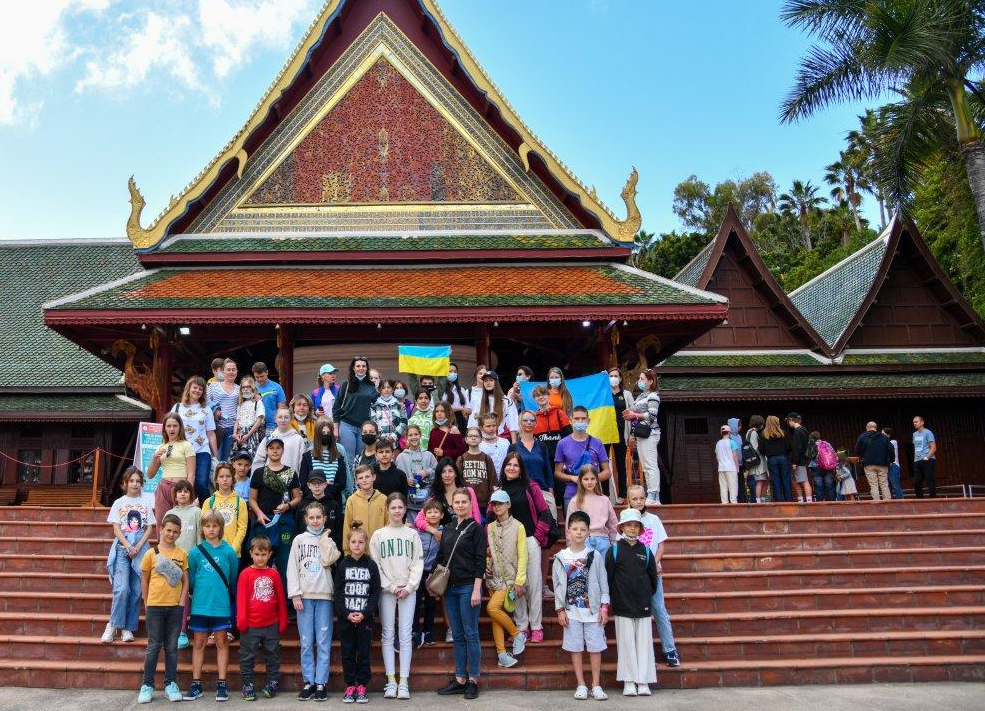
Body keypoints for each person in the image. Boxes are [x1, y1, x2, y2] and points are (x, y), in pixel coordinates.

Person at [371, 493, 425, 699]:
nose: (397, 511)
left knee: (404, 635)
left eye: (400, 507)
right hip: (387, 591)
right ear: (387, 509)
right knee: (387, 634)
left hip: (407, 591)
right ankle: (391, 680)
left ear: (405, 509)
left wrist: (409, 587)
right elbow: (376, 565)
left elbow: (417, 563)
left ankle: (404, 681)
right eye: (393, 507)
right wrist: (391, 587)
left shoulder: (411, 535)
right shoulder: (378, 535)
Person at [435, 489, 487, 701]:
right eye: (456, 502)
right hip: (450, 588)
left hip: (468, 587)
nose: (460, 505)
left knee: (471, 633)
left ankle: (473, 679)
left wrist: (477, 588)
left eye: (464, 502)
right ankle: (460, 678)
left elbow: (480, 560)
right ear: (452, 505)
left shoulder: (476, 529)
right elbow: (441, 557)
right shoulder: (447, 528)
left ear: (470, 503)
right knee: (457, 634)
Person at [288, 501, 342, 702]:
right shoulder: (299, 540)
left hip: (324, 596)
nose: (315, 520)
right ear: (306, 519)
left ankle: (321, 683)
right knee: (306, 641)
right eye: (311, 517)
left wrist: (325, 538)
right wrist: (295, 594)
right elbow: (292, 568)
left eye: (319, 517)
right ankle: (309, 682)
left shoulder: (329, 541)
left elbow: (329, 560)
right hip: (304, 596)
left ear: (325, 519)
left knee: (323, 641)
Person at [553, 510, 610, 701]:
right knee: (575, 647)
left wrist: (604, 607)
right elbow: (557, 586)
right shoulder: (561, 557)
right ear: (568, 531)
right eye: (575, 529)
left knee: (595, 647)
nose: (578, 532)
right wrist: (559, 609)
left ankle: (596, 684)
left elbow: (603, 583)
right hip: (572, 612)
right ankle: (581, 684)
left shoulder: (594, 555)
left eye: (582, 529)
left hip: (593, 612)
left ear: (588, 533)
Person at [493, 452, 549, 644]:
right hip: (507, 544)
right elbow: (492, 516)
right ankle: (522, 626)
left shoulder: (530, 487)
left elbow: (544, 513)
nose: (512, 468)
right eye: (509, 465)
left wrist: (537, 537)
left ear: (521, 469)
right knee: (514, 586)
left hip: (529, 540)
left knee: (533, 584)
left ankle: (536, 626)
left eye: (516, 465)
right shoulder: (499, 490)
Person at [184, 511, 239, 702]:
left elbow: (232, 578)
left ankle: (222, 684)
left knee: (222, 643)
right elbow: (191, 580)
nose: (211, 529)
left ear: (221, 528)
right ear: (202, 528)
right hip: (200, 605)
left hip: (221, 605)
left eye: (215, 526)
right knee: (198, 643)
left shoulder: (229, 551)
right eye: (207, 526)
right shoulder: (195, 552)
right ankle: (196, 683)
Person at [136, 513, 189, 704]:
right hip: (155, 606)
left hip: (175, 607)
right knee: (153, 646)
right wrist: (146, 601)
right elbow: (144, 578)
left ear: (179, 533)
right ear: (161, 530)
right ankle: (147, 685)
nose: (171, 534)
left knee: (172, 647)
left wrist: (182, 603)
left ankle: (170, 684)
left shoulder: (182, 554)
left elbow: (185, 581)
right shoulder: (151, 554)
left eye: (175, 531)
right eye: (168, 530)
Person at [625, 485, 679, 666]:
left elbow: (661, 545)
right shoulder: (624, 520)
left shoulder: (654, 519)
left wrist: (654, 563)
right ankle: (642, 652)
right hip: (634, 574)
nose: (639, 502)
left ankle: (670, 649)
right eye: (635, 499)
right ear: (628, 500)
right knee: (638, 613)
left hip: (654, 572)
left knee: (659, 608)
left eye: (641, 498)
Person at [605, 508, 658, 697]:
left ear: (641, 529)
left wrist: (646, 597)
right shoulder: (615, 550)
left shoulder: (646, 551)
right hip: (622, 605)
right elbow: (608, 578)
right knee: (626, 643)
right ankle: (629, 681)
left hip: (643, 604)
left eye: (636, 525)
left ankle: (643, 681)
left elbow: (653, 579)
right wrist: (613, 599)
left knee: (644, 642)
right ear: (621, 528)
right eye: (629, 525)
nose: (633, 529)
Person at [104, 467, 154, 645]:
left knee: (135, 590)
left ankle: (127, 628)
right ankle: (113, 624)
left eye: (138, 481)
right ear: (125, 483)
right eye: (131, 481)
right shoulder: (119, 502)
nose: (135, 484)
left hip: (141, 547)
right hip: (123, 547)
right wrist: (128, 546)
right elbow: (116, 528)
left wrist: (138, 546)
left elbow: (149, 527)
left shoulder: (146, 503)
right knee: (122, 588)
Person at [248, 436, 302, 596]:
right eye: (271, 448)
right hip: (264, 522)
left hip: (285, 521)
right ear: (266, 450)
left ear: (283, 450)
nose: (275, 450)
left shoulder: (290, 473)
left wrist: (288, 506)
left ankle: (287, 601)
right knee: (261, 561)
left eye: (278, 448)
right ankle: (260, 598)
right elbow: (252, 499)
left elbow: (298, 497)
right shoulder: (258, 473)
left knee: (285, 562)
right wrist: (258, 513)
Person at [237, 535, 288, 701]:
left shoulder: (274, 574)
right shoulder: (245, 574)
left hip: (271, 624)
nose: (260, 558)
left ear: (270, 554)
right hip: (251, 625)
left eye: (264, 554)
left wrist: (282, 620)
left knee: (272, 655)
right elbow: (241, 599)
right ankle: (247, 685)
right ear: (251, 553)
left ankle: (273, 682)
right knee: (247, 656)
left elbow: (280, 598)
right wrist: (242, 621)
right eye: (257, 554)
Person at [334, 528, 381, 705]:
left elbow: (375, 592)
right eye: (354, 542)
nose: (357, 545)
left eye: (361, 542)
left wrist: (364, 613)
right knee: (347, 653)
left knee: (363, 653)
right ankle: (349, 686)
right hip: (346, 619)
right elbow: (337, 593)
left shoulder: (371, 565)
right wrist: (346, 614)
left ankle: (362, 686)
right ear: (348, 543)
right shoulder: (343, 565)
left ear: (365, 544)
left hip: (365, 619)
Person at [484, 489, 528, 668]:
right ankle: (502, 653)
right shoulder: (490, 527)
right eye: (494, 504)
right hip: (493, 577)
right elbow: (491, 551)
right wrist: (487, 564)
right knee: (496, 617)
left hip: (510, 579)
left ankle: (517, 635)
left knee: (492, 608)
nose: (497, 507)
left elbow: (523, 555)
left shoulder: (519, 526)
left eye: (500, 503)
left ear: (508, 504)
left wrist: (519, 580)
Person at [164, 479, 200, 651]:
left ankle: (197, 628)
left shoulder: (197, 512)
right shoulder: (170, 513)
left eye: (186, 491)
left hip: (192, 559)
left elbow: (200, 538)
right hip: (174, 562)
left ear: (191, 494)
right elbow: (165, 539)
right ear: (175, 495)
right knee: (181, 596)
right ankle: (181, 631)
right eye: (180, 491)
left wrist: (200, 557)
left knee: (194, 594)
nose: (183, 494)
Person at [554, 406, 611, 512]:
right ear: (570, 421)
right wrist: (572, 478)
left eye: (583, 418)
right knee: (572, 527)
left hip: (594, 494)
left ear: (588, 421)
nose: (580, 421)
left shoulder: (597, 443)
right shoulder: (562, 444)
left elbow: (607, 472)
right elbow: (557, 473)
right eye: (576, 418)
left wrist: (591, 479)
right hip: (571, 494)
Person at [172, 376, 218, 503]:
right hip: (182, 451)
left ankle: (207, 513)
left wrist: (216, 455)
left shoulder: (206, 409)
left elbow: (211, 433)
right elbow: (168, 429)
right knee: (182, 485)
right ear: (189, 388)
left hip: (202, 450)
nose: (197, 391)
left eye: (200, 389)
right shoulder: (177, 408)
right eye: (195, 387)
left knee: (201, 483)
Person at [147, 412, 195, 530]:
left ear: (180, 427)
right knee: (161, 523)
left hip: (180, 487)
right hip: (163, 487)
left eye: (175, 426)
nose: (172, 429)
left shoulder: (186, 445)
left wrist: (188, 492)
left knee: (180, 523)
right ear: (164, 428)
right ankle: (162, 548)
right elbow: (150, 475)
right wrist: (154, 458)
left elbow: (191, 474)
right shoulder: (161, 446)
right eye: (168, 426)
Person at [414, 458, 482, 533]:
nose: (447, 475)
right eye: (443, 472)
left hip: (468, 537)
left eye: (450, 471)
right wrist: (434, 531)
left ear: (456, 473)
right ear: (439, 475)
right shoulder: (435, 498)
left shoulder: (468, 491)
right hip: (446, 540)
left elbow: (477, 518)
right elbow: (418, 520)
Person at [509, 410, 555, 518]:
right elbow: (509, 471)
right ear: (520, 423)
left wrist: (551, 492)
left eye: (532, 420)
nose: (529, 422)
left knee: (549, 524)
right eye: (525, 420)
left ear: (536, 423)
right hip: (521, 492)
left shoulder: (542, 446)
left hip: (542, 490)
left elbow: (548, 470)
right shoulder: (513, 447)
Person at [625, 368, 661, 505]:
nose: (639, 381)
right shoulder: (640, 396)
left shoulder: (653, 396)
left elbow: (652, 415)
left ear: (650, 382)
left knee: (651, 465)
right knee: (645, 466)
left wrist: (635, 415)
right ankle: (651, 493)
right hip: (640, 434)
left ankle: (654, 494)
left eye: (642, 379)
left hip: (650, 432)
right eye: (639, 378)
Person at [334, 357, 379, 464]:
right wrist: (335, 429)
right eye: (358, 366)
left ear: (367, 368)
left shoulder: (371, 385)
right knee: (348, 459)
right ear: (353, 368)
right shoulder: (346, 384)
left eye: (363, 366)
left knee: (362, 458)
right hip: (347, 425)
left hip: (364, 428)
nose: (361, 368)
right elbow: (336, 407)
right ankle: (350, 482)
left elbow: (376, 405)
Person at [566, 465, 619, 555]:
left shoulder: (605, 500)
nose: (589, 482)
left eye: (592, 478)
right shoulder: (575, 501)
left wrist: (614, 545)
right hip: (583, 541)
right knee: (586, 569)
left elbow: (613, 524)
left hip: (603, 541)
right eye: (586, 479)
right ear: (581, 481)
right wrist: (570, 546)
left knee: (603, 568)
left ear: (597, 480)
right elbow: (569, 526)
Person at [413, 499, 443, 648]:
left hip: (434, 573)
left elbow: (444, 553)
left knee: (431, 603)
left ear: (442, 515)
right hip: (418, 573)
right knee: (416, 602)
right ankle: (415, 631)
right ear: (424, 515)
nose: (433, 514)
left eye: (436, 511)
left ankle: (428, 631)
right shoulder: (418, 532)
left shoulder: (444, 532)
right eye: (429, 512)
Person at [252, 404, 312, 479]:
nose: (283, 420)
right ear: (275, 419)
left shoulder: (298, 439)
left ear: (291, 419)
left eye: (286, 417)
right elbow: (258, 461)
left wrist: (299, 484)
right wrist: (256, 481)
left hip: (291, 483)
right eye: (280, 417)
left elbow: (302, 464)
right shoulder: (268, 439)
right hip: (270, 482)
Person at [202, 463, 249, 556]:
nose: (225, 479)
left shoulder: (240, 502)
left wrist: (232, 550)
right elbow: (203, 526)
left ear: (233, 479)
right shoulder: (209, 502)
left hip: (233, 553)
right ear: (216, 479)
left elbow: (242, 529)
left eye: (228, 476)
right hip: (213, 552)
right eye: (221, 476)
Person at [342, 464, 387, 554]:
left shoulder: (383, 499)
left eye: (367, 476)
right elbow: (347, 526)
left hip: (379, 550)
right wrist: (347, 551)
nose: (364, 480)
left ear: (373, 477)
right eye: (361, 478)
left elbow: (388, 524)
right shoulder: (352, 500)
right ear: (356, 481)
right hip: (358, 552)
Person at [294, 471, 343, 553]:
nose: (317, 486)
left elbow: (339, 530)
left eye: (319, 483)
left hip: (328, 549)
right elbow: (297, 529)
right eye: (313, 483)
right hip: (307, 549)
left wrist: (337, 550)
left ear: (325, 484)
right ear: (309, 485)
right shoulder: (302, 506)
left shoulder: (333, 505)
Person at [397, 424, 438, 518]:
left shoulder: (428, 455)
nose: (414, 437)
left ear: (420, 435)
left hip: (428, 505)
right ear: (406, 437)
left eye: (416, 434)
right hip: (409, 504)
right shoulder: (401, 457)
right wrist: (405, 481)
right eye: (410, 435)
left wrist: (427, 472)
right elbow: (398, 479)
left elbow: (438, 474)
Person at [467, 370, 518, 442]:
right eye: (485, 381)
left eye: (491, 380)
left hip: (502, 439)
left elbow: (513, 424)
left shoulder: (507, 401)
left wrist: (514, 445)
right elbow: (473, 424)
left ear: (496, 382)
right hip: (483, 441)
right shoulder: (479, 401)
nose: (488, 383)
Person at [607, 368, 634, 502]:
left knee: (620, 465)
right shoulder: (603, 393)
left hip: (621, 432)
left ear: (620, 378)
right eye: (610, 376)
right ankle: (605, 494)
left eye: (615, 375)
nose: (613, 378)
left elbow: (633, 413)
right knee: (603, 463)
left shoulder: (626, 394)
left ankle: (622, 494)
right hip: (605, 432)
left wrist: (632, 434)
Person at [310, 416, 348, 507]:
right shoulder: (308, 455)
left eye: (328, 433)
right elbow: (304, 482)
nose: (326, 435)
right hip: (312, 502)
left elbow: (342, 482)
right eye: (323, 433)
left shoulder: (339, 455)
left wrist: (327, 491)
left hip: (333, 501)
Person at [208, 358, 240, 461]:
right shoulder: (213, 386)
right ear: (223, 371)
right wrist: (215, 409)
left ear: (237, 371)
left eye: (233, 370)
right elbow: (205, 401)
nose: (231, 372)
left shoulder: (240, 388)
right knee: (216, 459)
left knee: (228, 460)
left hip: (233, 428)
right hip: (217, 427)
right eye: (228, 369)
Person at [458, 425, 497, 510]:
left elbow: (493, 481)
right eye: (470, 436)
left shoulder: (486, 458)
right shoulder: (461, 459)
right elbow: (457, 482)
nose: (473, 438)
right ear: (466, 439)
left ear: (481, 439)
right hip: (466, 504)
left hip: (483, 504)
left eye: (476, 436)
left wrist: (491, 500)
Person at [855, 421, 894, 501]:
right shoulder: (884, 437)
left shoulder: (862, 437)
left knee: (873, 485)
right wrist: (891, 460)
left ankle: (877, 503)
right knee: (884, 484)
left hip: (869, 464)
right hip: (883, 464)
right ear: (876, 428)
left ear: (867, 428)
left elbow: (857, 450)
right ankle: (888, 502)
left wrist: (863, 456)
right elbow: (891, 448)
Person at [233, 376, 266, 460]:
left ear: (253, 388)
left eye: (248, 387)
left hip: (253, 434)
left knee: (253, 459)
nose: (245, 389)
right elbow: (237, 420)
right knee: (239, 459)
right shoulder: (240, 405)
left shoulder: (258, 402)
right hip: (240, 435)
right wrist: (234, 434)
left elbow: (259, 421)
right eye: (243, 387)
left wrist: (248, 435)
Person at [761, 415, 792, 502]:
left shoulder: (764, 434)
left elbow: (761, 449)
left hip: (771, 459)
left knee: (775, 481)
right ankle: (789, 501)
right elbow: (789, 447)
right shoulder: (783, 433)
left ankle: (779, 502)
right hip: (783, 457)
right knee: (786, 480)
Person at [370, 378, 407, 449]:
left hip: (395, 442)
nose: (386, 390)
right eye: (383, 388)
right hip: (379, 442)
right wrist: (383, 436)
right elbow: (373, 423)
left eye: (388, 387)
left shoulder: (399, 405)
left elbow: (404, 422)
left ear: (393, 389)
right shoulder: (374, 406)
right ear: (379, 390)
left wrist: (394, 436)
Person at [786, 412, 814, 503]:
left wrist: (795, 462)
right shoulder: (804, 429)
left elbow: (798, 447)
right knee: (799, 480)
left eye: (788, 421)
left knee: (803, 481)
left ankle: (804, 500)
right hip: (804, 458)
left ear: (791, 420)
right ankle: (807, 500)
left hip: (799, 460)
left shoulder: (797, 431)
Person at [252, 361, 287, 433]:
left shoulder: (277, 387)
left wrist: (279, 425)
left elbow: (282, 409)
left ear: (267, 373)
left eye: (262, 376)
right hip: (254, 426)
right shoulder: (251, 387)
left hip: (272, 426)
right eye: (257, 377)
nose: (260, 379)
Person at [477, 416, 509, 492]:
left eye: (494, 425)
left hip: (505, 482)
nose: (492, 428)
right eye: (488, 426)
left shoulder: (505, 442)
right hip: (486, 483)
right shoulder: (478, 445)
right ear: (481, 427)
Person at [745, 415, 768, 503]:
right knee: (760, 481)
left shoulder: (748, 432)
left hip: (753, 461)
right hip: (758, 461)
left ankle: (760, 500)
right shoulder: (754, 433)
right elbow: (754, 447)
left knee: (762, 480)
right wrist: (762, 450)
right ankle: (759, 501)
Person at [913, 415, 937, 498]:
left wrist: (926, 457)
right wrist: (916, 460)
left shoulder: (928, 432)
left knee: (929, 480)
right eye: (914, 422)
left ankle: (933, 499)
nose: (914, 423)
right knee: (917, 482)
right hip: (917, 460)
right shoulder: (914, 434)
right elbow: (916, 447)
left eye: (916, 422)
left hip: (928, 459)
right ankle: (920, 500)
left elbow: (933, 448)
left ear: (922, 422)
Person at [810, 431, 838, 502]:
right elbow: (834, 454)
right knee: (830, 486)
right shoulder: (826, 443)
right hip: (828, 467)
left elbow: (809, 457)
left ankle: (820, 504)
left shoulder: (811, 445)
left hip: (816, 468)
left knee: (818, 487)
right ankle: (832, 503)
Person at [715, 424, 740, 504]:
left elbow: (717, 456)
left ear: (721, 433)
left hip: (721, 468)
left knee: (723, 487)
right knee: (733, 486)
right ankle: (733, 503)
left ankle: (724, 503)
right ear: (729, 432)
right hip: (731, 467)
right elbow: (735, 456)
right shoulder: (732, 442)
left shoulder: (718, 443)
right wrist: (737, 467)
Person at [443, 362, 470, 432]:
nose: (453, 373)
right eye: (450, 371)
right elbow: (443, 408)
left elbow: (469, 409)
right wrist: (460, 408)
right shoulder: (441, 390)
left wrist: (466, 410)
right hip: (446, 420)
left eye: (455, 372)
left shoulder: (461, 390)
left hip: (461, 421)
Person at [882, 427, 904, 499]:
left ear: (888, 435)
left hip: (893, 465)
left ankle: (901, 502)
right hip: (885, 466)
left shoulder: (893, 442)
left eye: (883, 434)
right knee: (887, 487)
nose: (882, 436)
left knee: (895, 486)